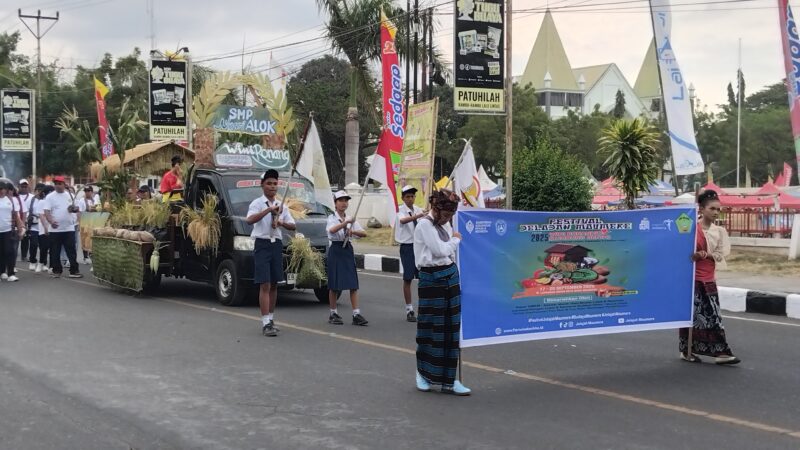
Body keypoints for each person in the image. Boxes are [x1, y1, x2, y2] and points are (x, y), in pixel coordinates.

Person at [413, 188, 470, 395]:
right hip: (431, 278)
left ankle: (449, 380)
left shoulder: (445, 223)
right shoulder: (424, 225)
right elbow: (439, 250)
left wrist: (452, 241)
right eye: (445, 215)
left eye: (450, 215)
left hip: (450, 276)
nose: (447, 219)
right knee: (431, 328)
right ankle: (423, 374)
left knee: (450, 329)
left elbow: (448, 254)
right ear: (436, 209)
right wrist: (455, 240)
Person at [680, 189, 740, 365]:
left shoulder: (719, 231)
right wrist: (692, 255)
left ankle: (719, 351)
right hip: (692, 280)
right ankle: (687, 350)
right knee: (691, 317)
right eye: (712, 208)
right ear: (701, 209)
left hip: (709, 280)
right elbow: (682, 252)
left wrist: (706, 255)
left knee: (713, 317)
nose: (715, 212)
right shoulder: (691, 228)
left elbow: (721, 254)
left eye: (718, 209)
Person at [245, 169, 297, 337]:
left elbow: (293, 225)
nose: (272, 186)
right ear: (262, 185)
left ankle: (271, 318)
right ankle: (265, 322)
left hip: (276, 244)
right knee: (265, 284)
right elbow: (249, 220)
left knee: (274, 283)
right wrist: (268, 211)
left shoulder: (282, 206)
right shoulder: (257, 203)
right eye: (269, 183)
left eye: (275, 183)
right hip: (262, 244)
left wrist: (280, 222)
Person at [326, 191, 368, 326]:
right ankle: (333, 313)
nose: (344, 203)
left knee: (352, 283)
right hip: (336, 249)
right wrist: (345, 223)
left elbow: (364, 233)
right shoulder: (332, 217)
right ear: (335, 203)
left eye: (346, 200)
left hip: (347, 249)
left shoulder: (350, 218)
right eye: (341, 200)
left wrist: (352, 231)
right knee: (334, 284)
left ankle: (356, 313)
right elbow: (332, 230)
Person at [395, 185, 427, 322]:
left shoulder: (418, 209)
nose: (410, 199)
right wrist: (419, 215)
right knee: (408, 278)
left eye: (412, 196)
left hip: (419, 247)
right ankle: (409, 309)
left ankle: (424, 308)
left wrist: (425, 214)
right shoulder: (400, 211)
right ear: (403, 198)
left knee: (423, 278)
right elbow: (403, 220)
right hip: (407, 247)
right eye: (407, 196)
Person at [43, 176, 82, 279]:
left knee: (71, 251)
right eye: (56, 184)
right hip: (55, 229)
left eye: (60, 184)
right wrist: (51, 221)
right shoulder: (50, 197)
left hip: (69, 228)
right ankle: (56, 271)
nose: (57, 186)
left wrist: (73, 209)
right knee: (55, 251)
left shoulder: (70, 195)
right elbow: (46, 211)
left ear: (64, 184)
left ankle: (74, 270)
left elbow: (77, 209)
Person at [25, 184, 43, 271]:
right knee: (33, 244)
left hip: (43, 226)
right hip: (33, 226)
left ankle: (43, 262)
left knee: (44, 246)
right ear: (35, 191)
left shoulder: (45, 200)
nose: (39, 192)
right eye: (38, 190)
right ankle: (32, 261)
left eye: (41, 190)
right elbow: (26, 211)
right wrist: (30, 217)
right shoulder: (30, 200)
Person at [17, 178, 31, 264]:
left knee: (25, 239)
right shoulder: (14, 196)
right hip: (16, 220)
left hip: (27, 220)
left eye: (25, 186)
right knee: (14, 239)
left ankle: (24, 255)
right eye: (22, 186)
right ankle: (13, 255)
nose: (24, 188)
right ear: (19, 186)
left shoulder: (32, 197)